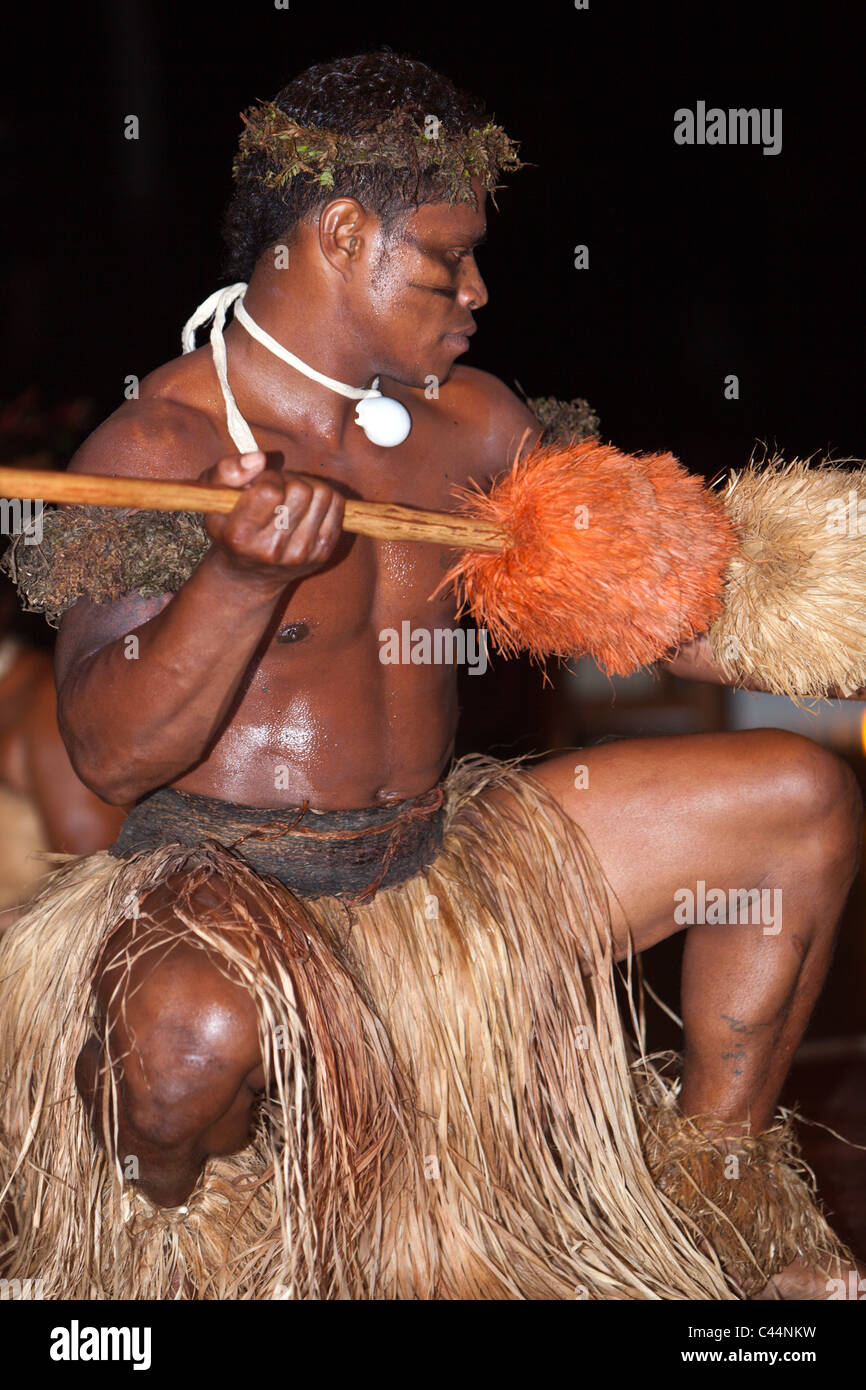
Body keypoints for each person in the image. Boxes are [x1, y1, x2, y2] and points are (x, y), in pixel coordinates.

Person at [0, 48, 859, 1300]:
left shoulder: (476, 422)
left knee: (796, 800)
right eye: (445, 257)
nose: (477, 289)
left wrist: (822, 623)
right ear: (341, 231)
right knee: (184, 1048)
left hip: (441, 856)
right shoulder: (161, 445)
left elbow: (665, 615)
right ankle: (186, 1252)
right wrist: (238, 580)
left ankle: (716, 1197)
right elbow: (111, 755)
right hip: (235, 884)